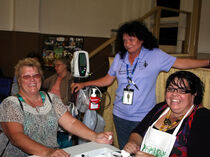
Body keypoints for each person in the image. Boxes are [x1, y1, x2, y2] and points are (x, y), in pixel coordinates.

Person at [71, 20, 210, 149]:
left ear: (142, 39)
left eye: (131, 39)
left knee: (143, 149)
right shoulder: (120, 57)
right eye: (124, 40)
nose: (127, 43)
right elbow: (108, 79)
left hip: (144, 116)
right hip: (120, 114)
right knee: (125, 148)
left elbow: (180, 63)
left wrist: (207, 62)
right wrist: (85, 84)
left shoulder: (154, 55)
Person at [0, 58, 112, 157]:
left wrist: (95, 136)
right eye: (26, 77)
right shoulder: (10, 104)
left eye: (36, 75)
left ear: (41, 78)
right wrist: (47, 152)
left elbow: (71, 123)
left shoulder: (51, 99)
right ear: (19, 80)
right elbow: (16, 137)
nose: (32, 80)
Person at [123, 71, 210, 157]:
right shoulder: (160, 108)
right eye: (171, 89)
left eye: (182, 90)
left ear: (194, 94)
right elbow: (138, 132)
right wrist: (133, 143)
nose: (174, 94)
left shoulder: (203, 118)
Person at [42, 57, 73, 148]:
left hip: (61, 106)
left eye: (58, 65)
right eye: (55, 66)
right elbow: (43, 84)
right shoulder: (55, 76)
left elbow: (69, 98)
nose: (55, 68)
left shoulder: (70, 78)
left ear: (65, 66)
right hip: (49, 104)